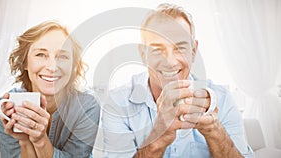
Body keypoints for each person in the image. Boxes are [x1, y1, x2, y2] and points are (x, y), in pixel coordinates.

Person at [102, 3, 254, 158]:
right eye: (157, 50)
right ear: (143, 53)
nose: (170, 62)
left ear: (193, 51)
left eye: (180, 48)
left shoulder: (222, 98)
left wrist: (214, 131)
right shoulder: (117, 104)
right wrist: (159, 137)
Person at [0, 21, 100, 158]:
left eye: (62, 56)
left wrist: (40, 141)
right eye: (41, 55)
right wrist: (25, 142)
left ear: (73, 65)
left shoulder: (87, 106)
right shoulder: (6, 109)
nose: (52, 67)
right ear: (25, 62)